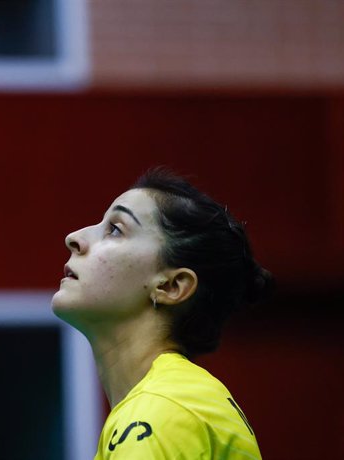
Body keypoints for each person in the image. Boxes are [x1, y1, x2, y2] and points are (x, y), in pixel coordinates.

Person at [52, 167, 273, 459]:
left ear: (171, 286)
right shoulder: (171, 401)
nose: (74, 238)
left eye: (115, 229)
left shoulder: (159, 410)